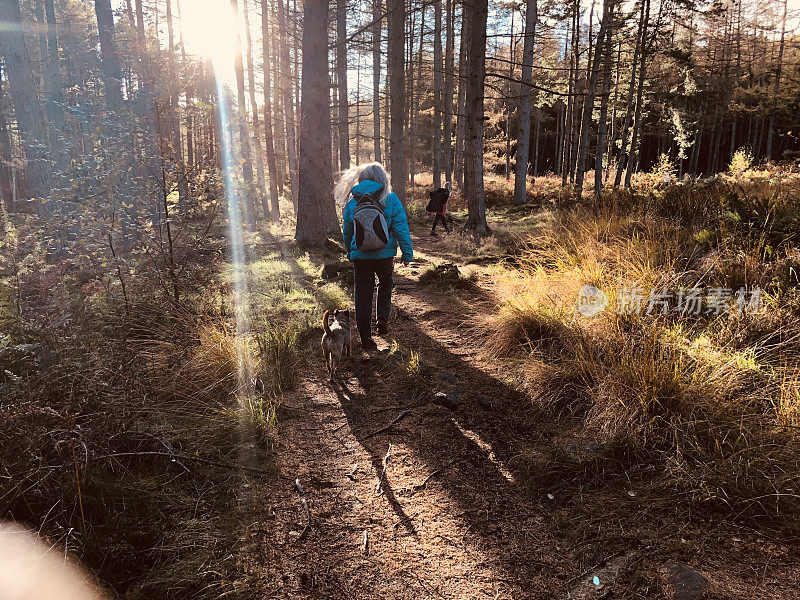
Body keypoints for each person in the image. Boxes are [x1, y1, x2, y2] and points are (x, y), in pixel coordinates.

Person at [339, 163, 413, 352]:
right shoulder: (390, 198)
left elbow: (348, 231)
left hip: (361, 256)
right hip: (385, 254)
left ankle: (366, 339)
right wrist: (407, 252)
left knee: (362, 296)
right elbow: (401, 227)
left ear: (362, 179)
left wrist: (350, 250)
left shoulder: (353, 201)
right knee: (385, 284)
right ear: (382, 179)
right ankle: (382, 318)